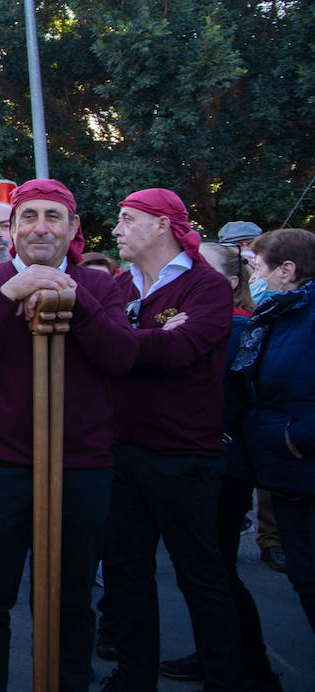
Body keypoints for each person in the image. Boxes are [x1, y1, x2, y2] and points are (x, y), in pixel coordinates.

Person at [0, 179, 137, 692]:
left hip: (82, 469)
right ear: (11, 229)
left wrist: (71, 299)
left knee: (72, 595)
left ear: (73, 228)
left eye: (54, 217)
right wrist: (11, 294)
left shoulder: (101, 287)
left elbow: (122, 358)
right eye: (28, 217)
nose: (41, 227)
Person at [100, 188, 245, 691]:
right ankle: (133, 676)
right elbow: (103, 350)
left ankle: (228, 677)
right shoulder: (120, 287)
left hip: (185, 456)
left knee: (201, 576)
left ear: (161, 224)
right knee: (125, 573)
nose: (116, 229)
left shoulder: (206, 285)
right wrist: (150, 338)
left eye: (127, 219)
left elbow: (180, 351)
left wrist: (130, 341)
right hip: (122, 451)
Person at [157, 242, 282, 689]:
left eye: (199, 268)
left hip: (221, 463)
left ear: (228, 283)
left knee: (213, 572)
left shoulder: (232, 327)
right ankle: (226, 658)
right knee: (210, 572)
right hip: (218, 460)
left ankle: (243, 668)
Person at [234, 228, 315, 633]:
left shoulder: (306, 316)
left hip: (302, 469)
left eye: (256, 267)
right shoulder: (279, 316)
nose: (253, 278)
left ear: (287, 269)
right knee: (306, 579)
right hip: (287, 476)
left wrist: (299, 439)